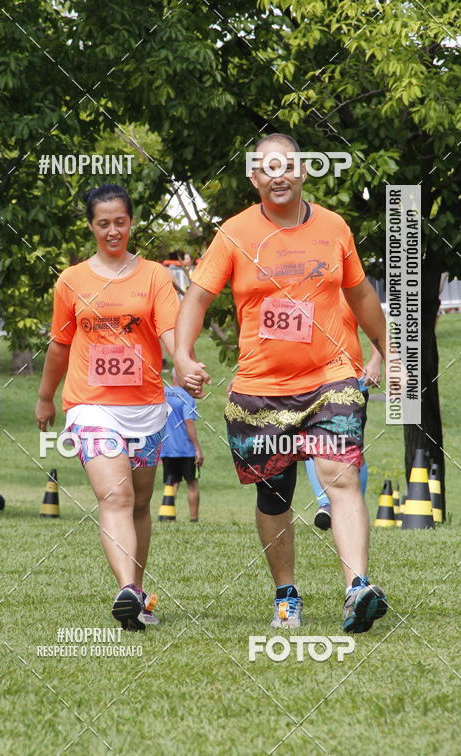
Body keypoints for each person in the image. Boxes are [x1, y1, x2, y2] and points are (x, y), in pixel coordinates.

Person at [175, 133, 389, 634]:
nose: (278, 175)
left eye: (287, 166)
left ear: (303, 171)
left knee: (340, 476)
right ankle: (286, 594)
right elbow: (197, 300)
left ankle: (357, 587)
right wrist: (183, 356)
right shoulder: (234, 233)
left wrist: (387, 349)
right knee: (275, 495)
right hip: (261, 388)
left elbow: (359, 297)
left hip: (331, 377)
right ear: (254, 178)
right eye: (267, 168)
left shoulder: (334, 228)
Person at [35, 184, 198, 632]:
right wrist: (46, 396)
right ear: (90, 226)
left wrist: (183, 364)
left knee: (141, 503)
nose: (112, 230)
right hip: (91, 406)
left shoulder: (153, 277)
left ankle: (138, 597)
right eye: (103, 223)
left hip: (145, 407)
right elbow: (59, 345)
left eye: (119, 222)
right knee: (116, 496)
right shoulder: (71, 280)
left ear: (131, 223)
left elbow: (170, 331)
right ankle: (126, 588)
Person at [307, 291, 382, 530]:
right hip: (311, 381)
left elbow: (375, 326)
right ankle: (326, 504)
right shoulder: (300, 289)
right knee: (311, 443)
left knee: (350, 448)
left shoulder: (350, 290)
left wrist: (376, 361)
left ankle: (352, 504)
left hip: (351, 380)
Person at [161, 369, 204, 521]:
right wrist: (197, 449)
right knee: (192, 483)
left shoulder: (161, 393)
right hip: (186, 449)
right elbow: (189, 421)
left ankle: (167, 515)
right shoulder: (187, 398)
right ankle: (194, 519)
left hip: (166, 448)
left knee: (171, 482)